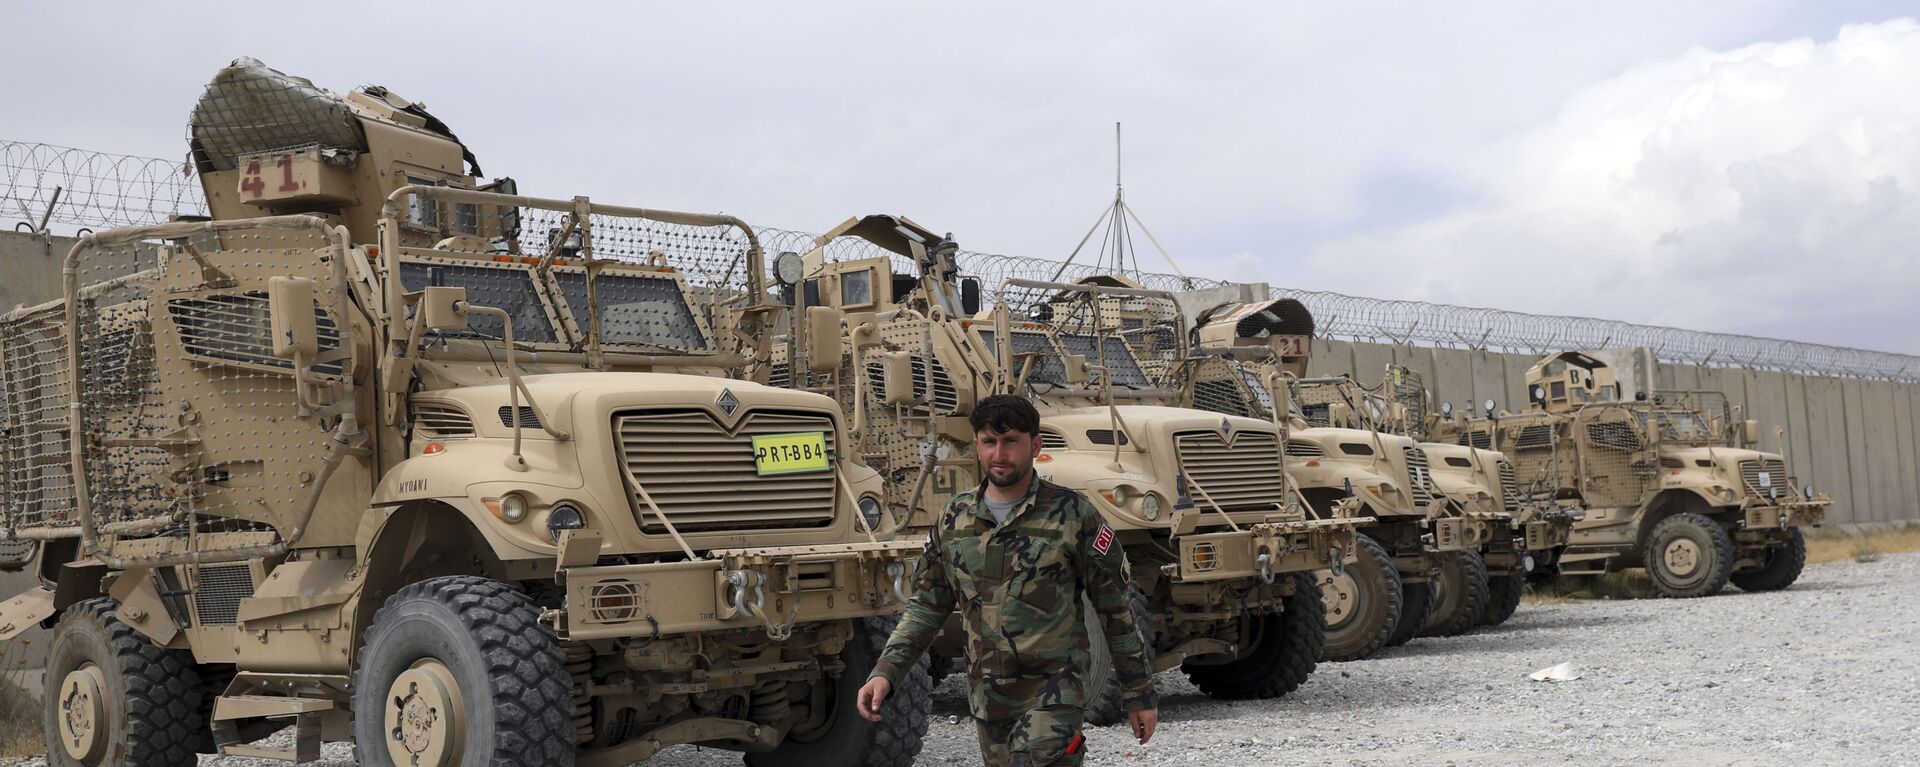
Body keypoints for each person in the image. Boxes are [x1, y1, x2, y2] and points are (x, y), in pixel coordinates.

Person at [857, 393, 1158, 766]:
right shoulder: (955, 518)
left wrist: (1139, 694)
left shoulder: (1073, 515)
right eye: (989, 442)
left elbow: (1116, 609)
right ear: (977, 445)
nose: (999, 454)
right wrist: (885, 673)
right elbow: (926, 609)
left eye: (1010, 441)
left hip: (1055, 693)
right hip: (989, 701)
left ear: (1035, 445)